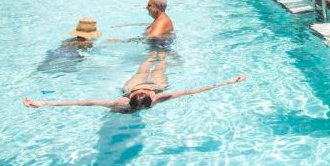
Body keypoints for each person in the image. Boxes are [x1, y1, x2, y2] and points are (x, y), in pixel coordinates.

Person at [23, 52, 245, 112]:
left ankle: (155, 54)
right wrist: (228, 82)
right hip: (149, 85)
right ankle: (160, 55)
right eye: (149, 96)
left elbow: (85, 101)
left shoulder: (121, 101)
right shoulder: (157, 95)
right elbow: (192, 91)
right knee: (159, 66)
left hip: (132, 85)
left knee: (146, 66)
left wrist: (44, 104)